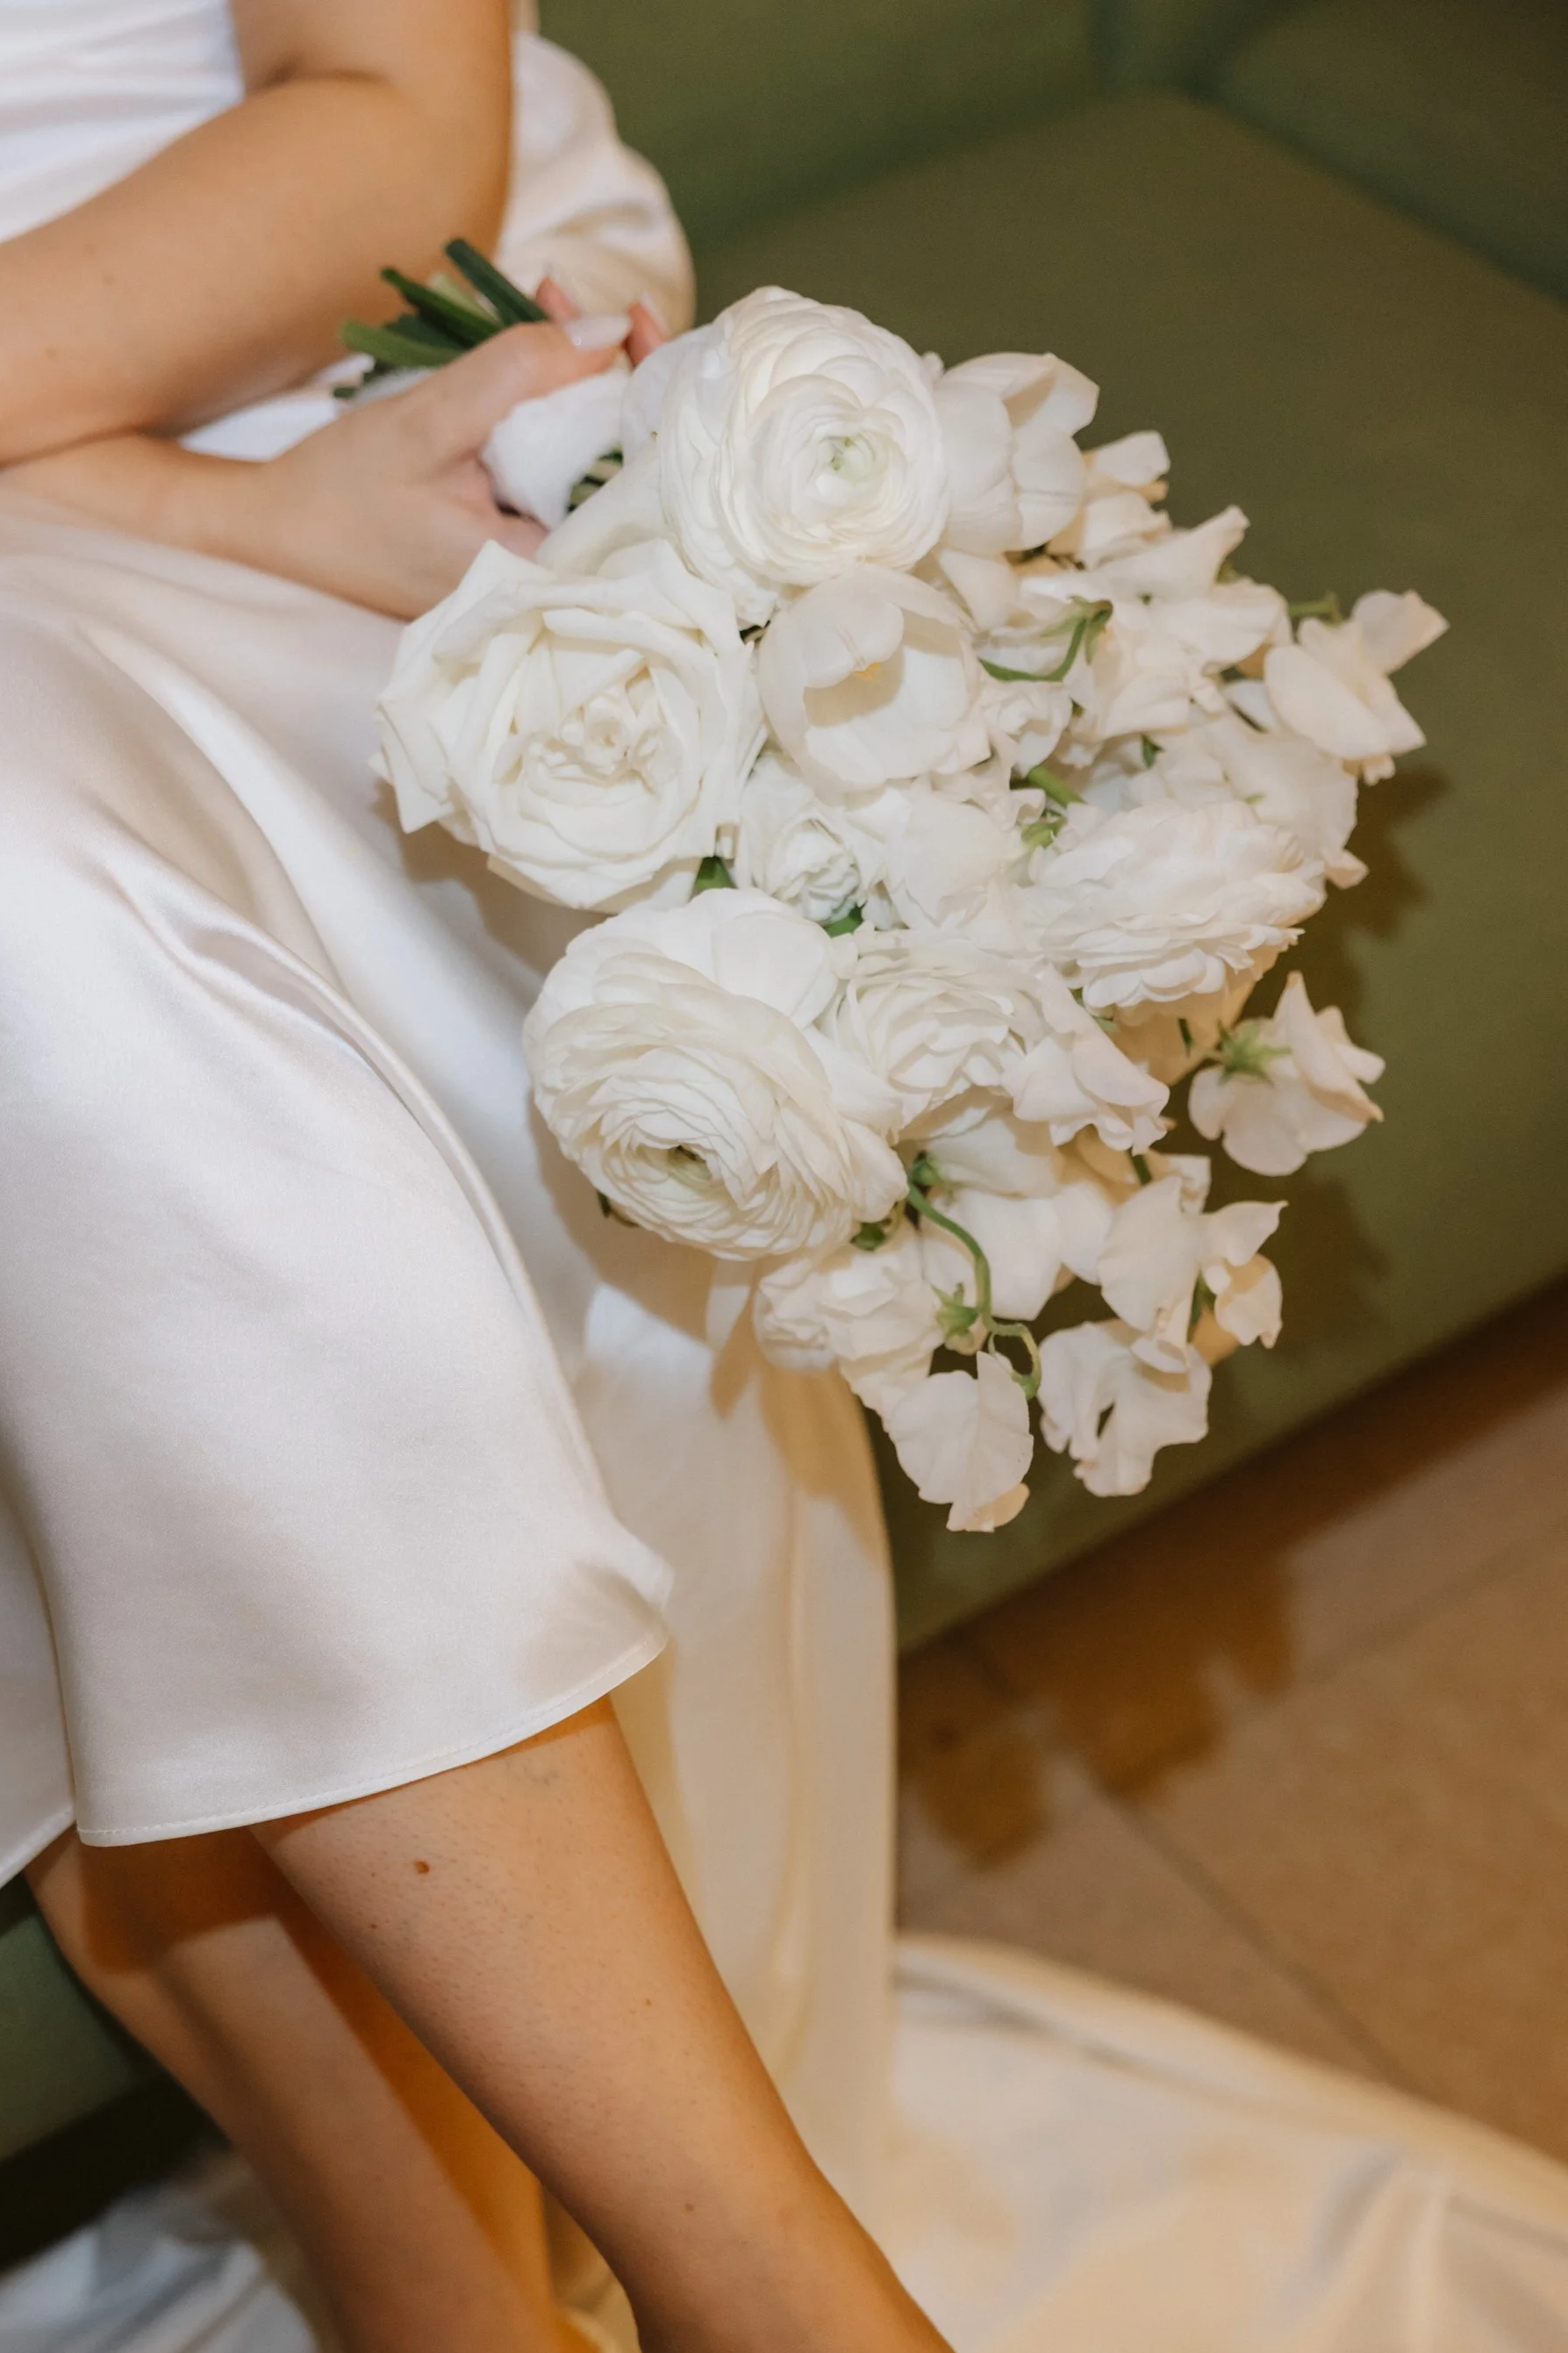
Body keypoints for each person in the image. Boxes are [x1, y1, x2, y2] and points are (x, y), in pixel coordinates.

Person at [8, 8, 1568, 2353]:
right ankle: (617, 2303)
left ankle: (685, 2292)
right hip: (109, 501)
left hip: (337, 372)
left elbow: (390, 124)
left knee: (48, 961)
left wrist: (234, 514)